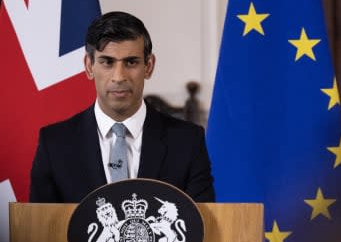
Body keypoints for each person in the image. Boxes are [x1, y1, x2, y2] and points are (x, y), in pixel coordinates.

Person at [29, 11, 214, 203]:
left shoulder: (188, 142)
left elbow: (200, 226)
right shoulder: (54, 144)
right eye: (107, 62)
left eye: (131, 62)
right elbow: (41, 229)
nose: (119, 77)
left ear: (148, 66)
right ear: (89, 66)